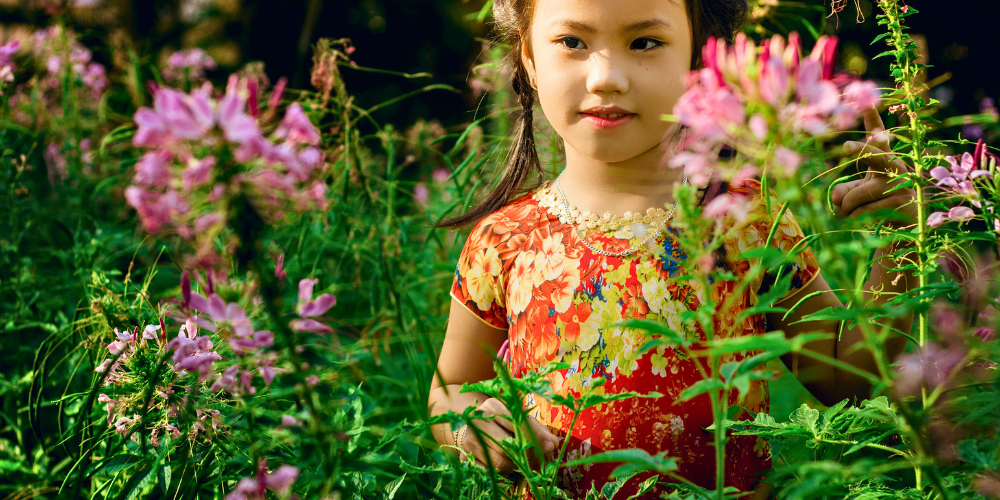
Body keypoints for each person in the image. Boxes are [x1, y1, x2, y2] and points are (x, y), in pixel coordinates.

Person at [427, 0, 916, 497]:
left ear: (699, 61)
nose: (606, 78)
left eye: (645, 42)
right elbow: (448, 392)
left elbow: (846, 374)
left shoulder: (744, 219)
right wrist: (473, 429)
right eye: (572, 42)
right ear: (529, 59)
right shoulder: (505, 239)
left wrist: (904, 238)